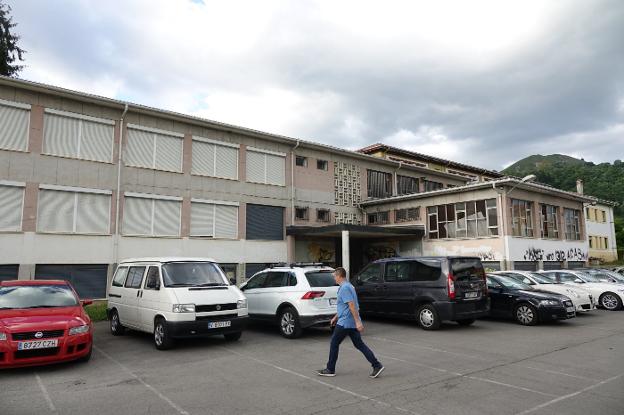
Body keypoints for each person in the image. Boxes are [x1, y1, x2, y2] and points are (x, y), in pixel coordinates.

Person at [317, 267, 384, 378]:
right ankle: (376, 365)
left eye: (334, 276)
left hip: (345, 322)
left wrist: (358, 322)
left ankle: (330, 369)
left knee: (334, 343)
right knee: (359, 344)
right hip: (348, 321)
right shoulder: (348, 286)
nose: (334, 278)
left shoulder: (345, 288)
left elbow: (352, 305)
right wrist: (335, 317)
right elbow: (345, 305)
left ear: (339, 276)